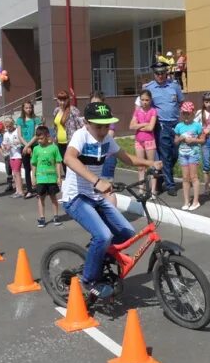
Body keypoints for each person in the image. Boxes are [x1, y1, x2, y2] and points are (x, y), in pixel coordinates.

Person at [61, 102, 162, 299]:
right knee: (104, 236)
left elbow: (127, 158)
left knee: (126, 232)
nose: (102, 130)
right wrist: (97, 181)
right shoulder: (81, 136)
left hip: (96, 196)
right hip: (76, 197)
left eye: (106, 126)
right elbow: (69, 159)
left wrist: (151, 163)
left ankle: (98, 260)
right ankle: (89, 281)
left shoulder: (107, 139)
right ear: (86, 122)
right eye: (98, 126)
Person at [142, 61, 184, 195]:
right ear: (154, 74)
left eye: (162, 73)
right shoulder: (149, 88)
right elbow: (144, 105)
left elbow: (181, 102)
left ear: (166, 72)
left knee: (175, 154)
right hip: (161, 125)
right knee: (165, 155)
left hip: (176, 125)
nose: (160, 75)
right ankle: (170, 185)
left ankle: (160, 178)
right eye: (157, 73)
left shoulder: (174, 86)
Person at [174, 101, 205, 211]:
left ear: (193, 113)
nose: (186, 115)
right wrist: (180, 139)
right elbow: (175, 142)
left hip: (194, 154)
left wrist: (193, 140)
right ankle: (186, 201)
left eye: (188, 113)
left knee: (194, 177)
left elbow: (203, 140)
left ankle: (196, 201)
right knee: (185, 178)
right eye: (184, 113)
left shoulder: (197, 126)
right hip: (183, 154)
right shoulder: (179, 126)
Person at [31, 125, 63, 228]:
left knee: (53, 198)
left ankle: (56, 216)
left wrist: (59, 177)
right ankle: (42, 218)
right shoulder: (36, 149)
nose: (39, 141)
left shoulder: (54, 148)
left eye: (41, 138)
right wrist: (33, 177)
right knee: (41, 198)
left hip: (52, 178)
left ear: (47, 136)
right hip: (40, 179)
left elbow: (58, 163)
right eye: (38, 138)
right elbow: (34, 164)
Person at [89, 91, 117, 205]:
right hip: (93, 159)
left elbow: (109, 135)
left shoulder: (108, 116)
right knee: (95, 190)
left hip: (107, 158)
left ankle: (113, 217)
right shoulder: (89, 117)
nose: (95, 106)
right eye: (92, 103)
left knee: (107, 190)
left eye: (98, 103)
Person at [130, 89, 158, 196]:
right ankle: (141, 189)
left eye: (147, 100)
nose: (144, 102)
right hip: (139, 141)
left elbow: (151, 127)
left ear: (150, 100)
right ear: (140, 100)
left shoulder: (153, 111)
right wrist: (143, 124)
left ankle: (153, 190)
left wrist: (139, 125)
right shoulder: (137, 111)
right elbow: (131, 126)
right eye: (142, 100)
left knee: (151, 165)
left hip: (149, 141)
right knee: (140, 166)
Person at [53, 90, 84, 170]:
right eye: (60, 100)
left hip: (70, 142)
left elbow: (80, 125)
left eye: (64, 100)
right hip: (59, 143)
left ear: (68, 100)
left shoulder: (73, 110)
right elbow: (56, 127)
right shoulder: (56, 111)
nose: (62, 102)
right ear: (57, 100)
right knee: (64, 164)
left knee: (71, 165)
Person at [17, 100, 41, 199]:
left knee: (37, 167)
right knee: (27, 168)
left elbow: (37, 134)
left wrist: (29, 146)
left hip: (34, 145)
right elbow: (19, 135)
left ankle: (40, 189)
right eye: (26, 108)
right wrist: (26, 146)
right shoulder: (19, 120)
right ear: (23, 108)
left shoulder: (36, 119)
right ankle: (30, 189)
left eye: (30, 108)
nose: (28, 109)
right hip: (24, 146)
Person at [1, 117, 24, 198]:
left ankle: (20, 191)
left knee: (17, 173)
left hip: (18, 155)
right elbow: (4, 143)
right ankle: (17, 190)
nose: (8, 128)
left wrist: (12, 145)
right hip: (11, 155)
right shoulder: (6, 134)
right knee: (14, 173)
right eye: (7, 127)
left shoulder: (17, 131)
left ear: (12, 124)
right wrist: (4, 147)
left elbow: (20, 141)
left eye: (9, 126)